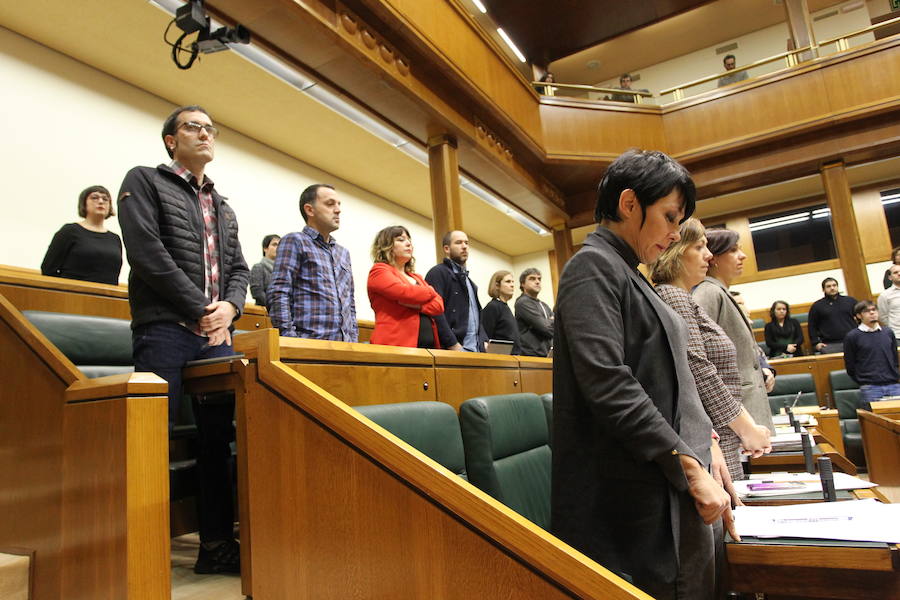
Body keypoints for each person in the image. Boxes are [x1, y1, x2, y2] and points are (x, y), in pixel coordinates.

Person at [553, 150, 735, 600]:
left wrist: (705, 440)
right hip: (642, 500)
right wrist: (690, 468)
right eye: (670, 217)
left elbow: (665, 376)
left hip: (669, 476)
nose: (675, 234)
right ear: (629, 204)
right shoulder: (591, 268)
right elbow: (609, 384)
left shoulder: (630, 272)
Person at [117, 105, 248, 575]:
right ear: (171, 140)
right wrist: (203, 309)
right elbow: (147, 254)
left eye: (211, 128)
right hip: (164, 332)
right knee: (154, 441)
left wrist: (230, 309)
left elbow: (238, 270)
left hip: (215, 339)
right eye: (194, 126)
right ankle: (142, 555)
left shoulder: (222, 204)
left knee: (220, 441)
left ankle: (215, 546)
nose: (205, 134)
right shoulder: (145, 181)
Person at [651, 218, 772, 481]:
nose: (708, 255)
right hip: (711, 435)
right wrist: (745, 426)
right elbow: (696, 366)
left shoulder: (681, 296)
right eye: (699, 247)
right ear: (676, 251)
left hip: (719, 432)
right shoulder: (673, 296)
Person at [693, 229, 775, 433]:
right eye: (733, 250)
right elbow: (699, 351)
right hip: (734, 412)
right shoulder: (708, 293)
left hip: (745, 405)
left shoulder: (721, 292)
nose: (743, 255)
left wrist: (763, 368)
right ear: (714, 258)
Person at [268, 184, 358, 342]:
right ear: (310, 210)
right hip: (308, 344)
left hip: (345, 346)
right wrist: (289, 339)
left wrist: (354, 340)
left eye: (338, 204)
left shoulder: (343, 253)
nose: (338, 210)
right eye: (330, 204)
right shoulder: (295, 241)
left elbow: (350, 303)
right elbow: (279, 292)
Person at [367, 225, 446, 348]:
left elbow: (439, 305)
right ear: (386, 245)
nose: (408, 243)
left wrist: (418, 305)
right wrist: (430, 291)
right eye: (401, 240)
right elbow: (404, 292)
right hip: (395, 344)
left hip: (428, 349)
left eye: (409, 240)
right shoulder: (379, 271)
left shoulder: (416, 277)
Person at [41, 185, 123, 285]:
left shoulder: (115, 239)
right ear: (84, 203)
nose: (101, 201)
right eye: (94, 197)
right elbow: (48, 269)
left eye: (105, 199)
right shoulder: (69, 231)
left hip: (106, 297)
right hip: (72, 296)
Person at [425, 230, 486, 352]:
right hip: (454, 350)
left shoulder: (470, 283)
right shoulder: (437, 273)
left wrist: (484, 342)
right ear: (447, 249)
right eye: (459, 243)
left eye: (466, 243)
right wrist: (452, 344)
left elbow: (478, 317)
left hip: (476, 351)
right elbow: (435, 312)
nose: (464, 247)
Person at [843, 300, 900, 405]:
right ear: (859, 316)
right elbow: (850, 366)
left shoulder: (888, 332)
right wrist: (863, 380)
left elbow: (895, 359)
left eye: (874, 310)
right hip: (870, 387)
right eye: (867, 311)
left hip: (893, 385)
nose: (872, 313)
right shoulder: (852, 336)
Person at [808, 277, 857, 354]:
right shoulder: (817, 306)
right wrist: (815, 343)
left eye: (834, 285)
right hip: (830, 344)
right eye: (828, 286)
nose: (832, 288)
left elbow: (862, 318)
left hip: (853, 340)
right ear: (823, 289)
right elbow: (812, 326)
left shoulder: (850, 301)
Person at [515, 268, 553, 357]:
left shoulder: (544, 305)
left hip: (548, 354)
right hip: (532, 355)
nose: (537, 282)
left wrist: (548, 323)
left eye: (539, 279)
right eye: (532, 279)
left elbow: (557, 329)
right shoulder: (523, 302)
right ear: (522, 284)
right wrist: (551, 321)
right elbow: (546, 329)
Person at [481, 270, 520, 354]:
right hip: (499, 357)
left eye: (513, 282)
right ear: (497, 285)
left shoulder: (505, 307)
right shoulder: (493, 306)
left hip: (513, 357)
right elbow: (486, 337)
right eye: (508, 282)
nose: (512, 285)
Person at [249, 234, 280, 306]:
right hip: (264, 313)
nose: (278, 248)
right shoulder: (258, 268)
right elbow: (257, 293)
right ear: (265, 248)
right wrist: (276, 308)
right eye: (274, 245)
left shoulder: (285, 272)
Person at [878, 263, 900, 344]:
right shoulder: (885, 295)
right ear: (890, 277)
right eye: (895, 272)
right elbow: (882, 316)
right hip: (897, 335)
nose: (899, 274)